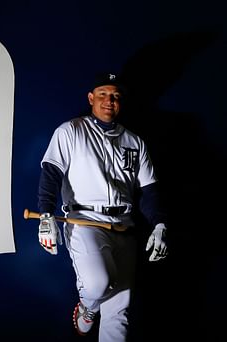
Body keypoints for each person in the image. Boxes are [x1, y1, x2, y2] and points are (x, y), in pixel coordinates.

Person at [36, 72, 168, 342]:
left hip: (125, 225)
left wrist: (160, 224)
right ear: (91, 98)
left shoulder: (134, 142)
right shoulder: (71, 130)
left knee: (119, 312)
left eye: (115, 96)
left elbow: (149, 189)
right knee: (97, 284)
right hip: (84, 220)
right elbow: (51, 173)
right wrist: (46, 214)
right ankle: (87, 308)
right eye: (103, 94)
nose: (109, 101)